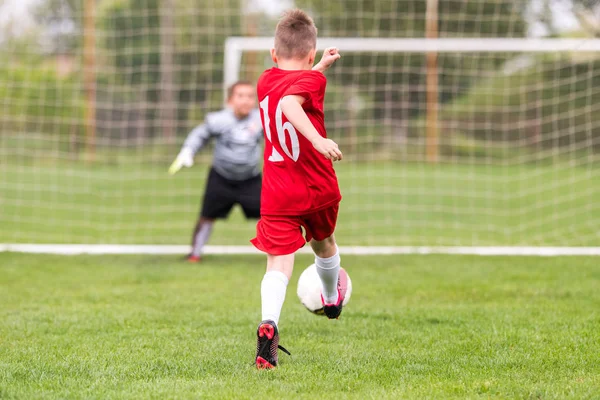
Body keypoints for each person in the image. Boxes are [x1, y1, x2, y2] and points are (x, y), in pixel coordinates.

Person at [251, 9, 347, 369]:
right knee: (323, 245)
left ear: (274, 55)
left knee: (278, 262)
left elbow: (286, 90)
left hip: (277, 191)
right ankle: (330, 298)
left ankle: (269, 324)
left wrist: (319, 66)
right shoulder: (313, 82)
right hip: (316, 186)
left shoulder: (264, 81)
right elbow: (293, 101)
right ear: (310, 54)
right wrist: (318, 140)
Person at [169, 81, 263, 262]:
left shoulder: (261, 119)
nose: (245, 101)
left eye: (250, 96)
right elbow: (200, 134)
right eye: (240, 96)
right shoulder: (218, 119)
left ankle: (279, 254)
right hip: (221, 177)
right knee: (207, 216)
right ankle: (195, 254)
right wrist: (188, 150)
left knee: (270, 215)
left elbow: (279, 137)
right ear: (230, 100)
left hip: (251, 179)